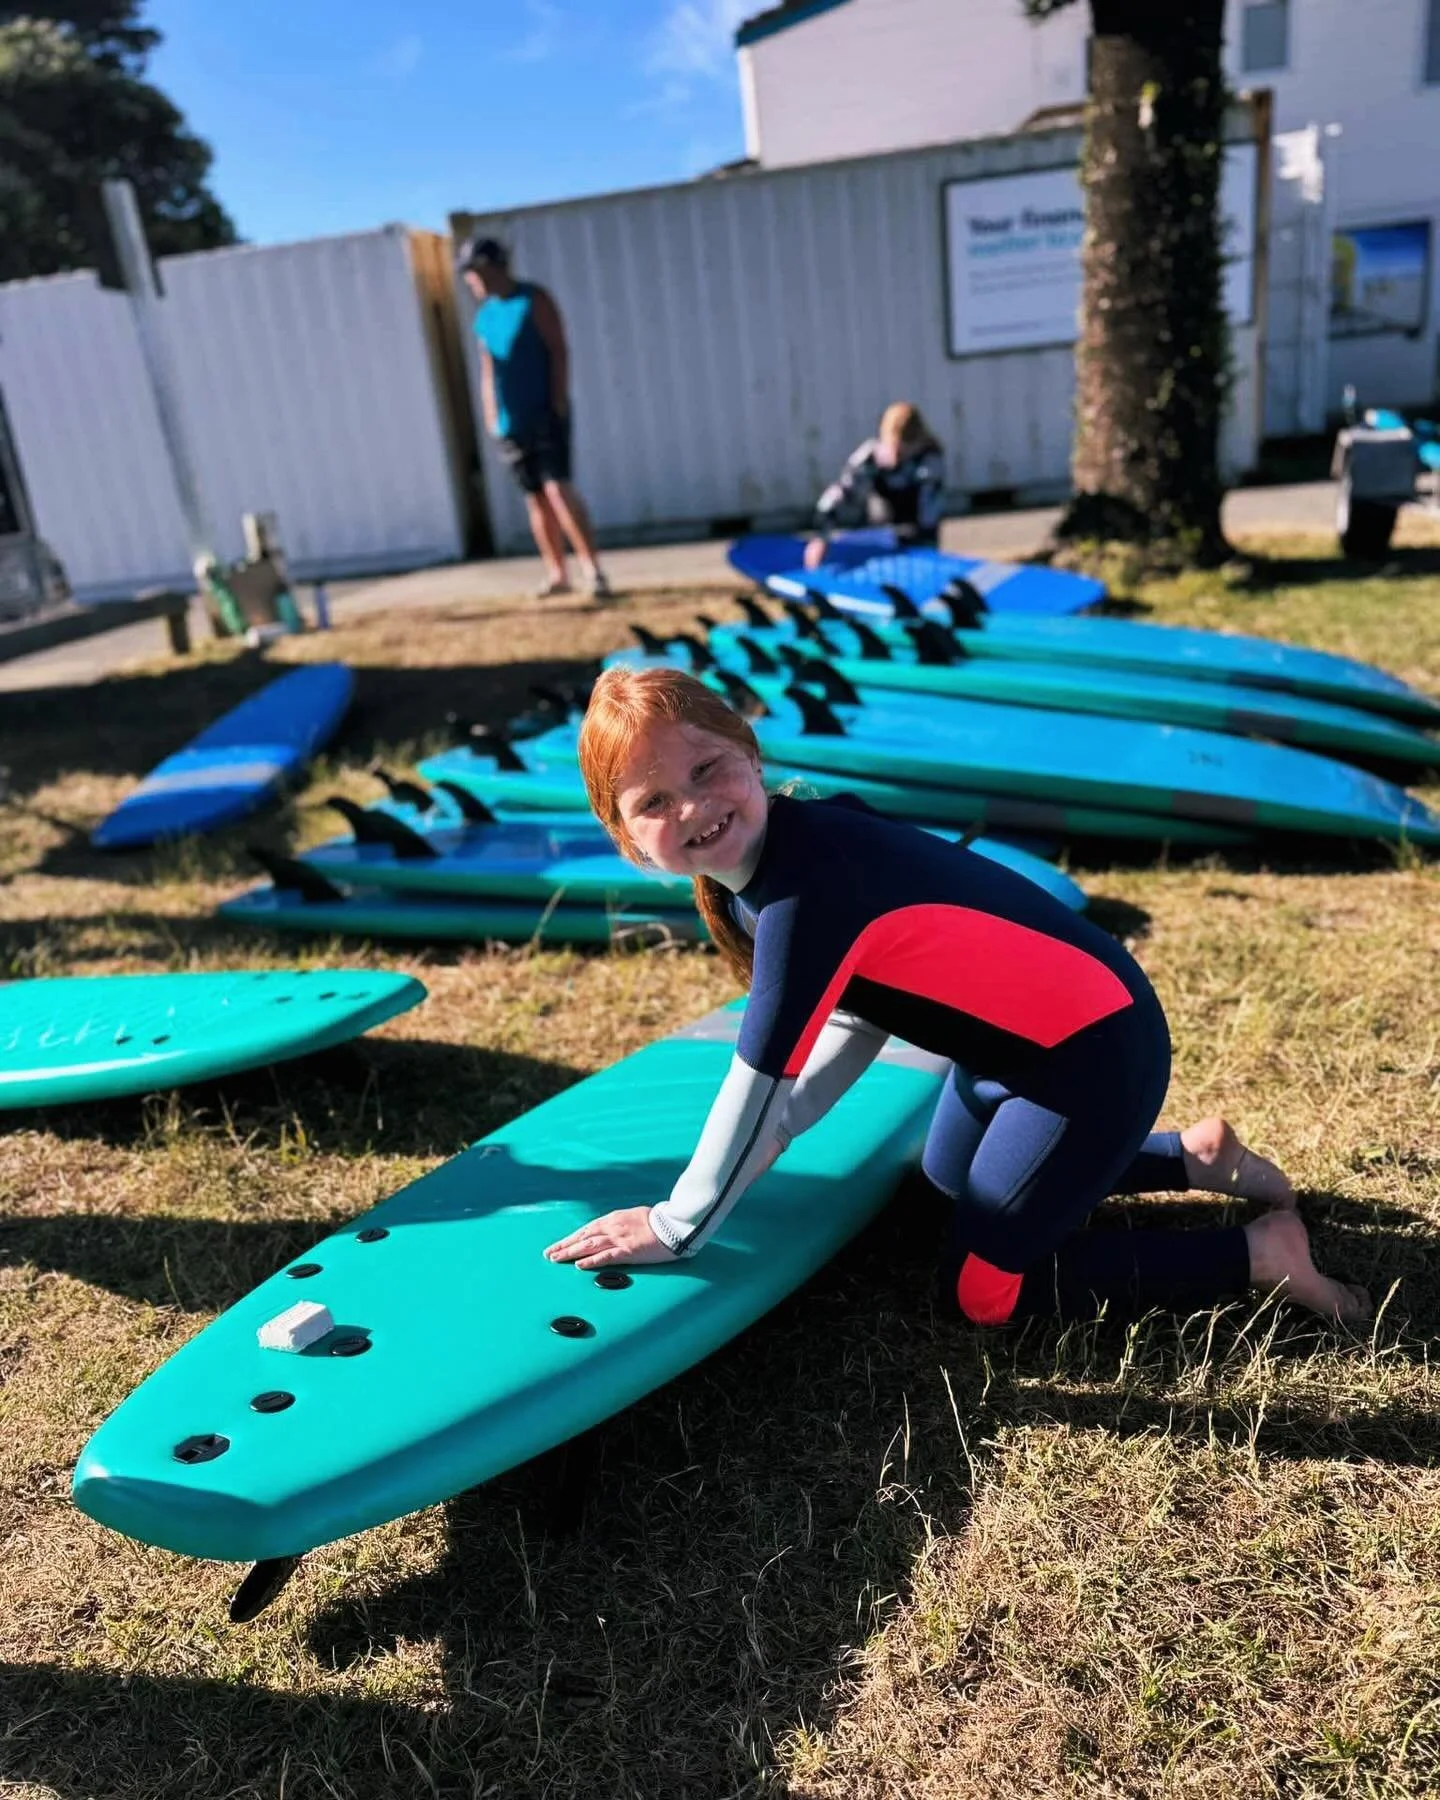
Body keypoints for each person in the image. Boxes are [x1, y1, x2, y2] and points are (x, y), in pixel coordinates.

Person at [545, 667, 1370, 1330]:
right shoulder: (762, 872)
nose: (691, 806)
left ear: (751, 756)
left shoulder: (804, 890)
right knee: (937, 1198)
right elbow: (856, 1017)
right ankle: (1191, 1157)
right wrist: (780, 1132)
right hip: (1009, 1053)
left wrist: (676, 1223)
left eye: (706, 768)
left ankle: (1261, 1253)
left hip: (1091, 1055)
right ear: (626, 841)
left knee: (983, 1295)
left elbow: (759, 1082)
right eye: (653, 801)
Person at [459, 236, 612, 601]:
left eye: (475, 272)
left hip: (544, 411)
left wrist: (557, 398)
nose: (471, 281)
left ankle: (593, 570)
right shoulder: (485, 316)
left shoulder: (534, 300)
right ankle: (557, 573)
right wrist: (491, 412)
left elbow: (558, 349)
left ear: (494, 267)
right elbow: (487, 369)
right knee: (535, 498)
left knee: (557, 488)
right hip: (510, 422)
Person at [802, 401, 945, 571]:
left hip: (915, 540)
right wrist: (821, 537)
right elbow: (842, 492)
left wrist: (922, 547)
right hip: (879, 535)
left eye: (906, 447)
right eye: (895, 445)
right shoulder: (871, 456)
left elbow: (929, 514)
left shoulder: (929, 459)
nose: (899, 454)